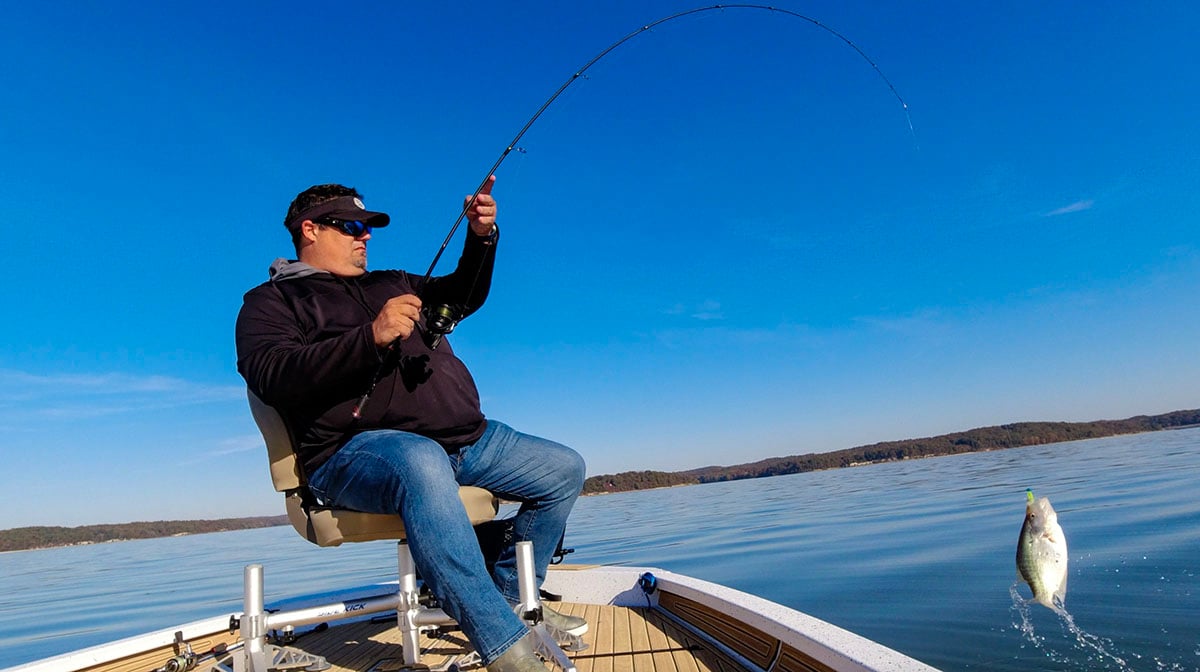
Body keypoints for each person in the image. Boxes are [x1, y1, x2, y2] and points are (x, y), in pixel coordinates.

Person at [235, 177, 586, 672]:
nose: (365, 236)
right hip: (351, 452)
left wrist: (481, 237)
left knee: (563, 468)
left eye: (369, 227)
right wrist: (370, 338)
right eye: (351, 226)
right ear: (309, 230)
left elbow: (460, 294)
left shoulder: (391, 281)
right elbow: (272, 374)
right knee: (419, 461)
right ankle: (507, 647)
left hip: (465, 439)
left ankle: (505, 598)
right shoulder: (270, 303)